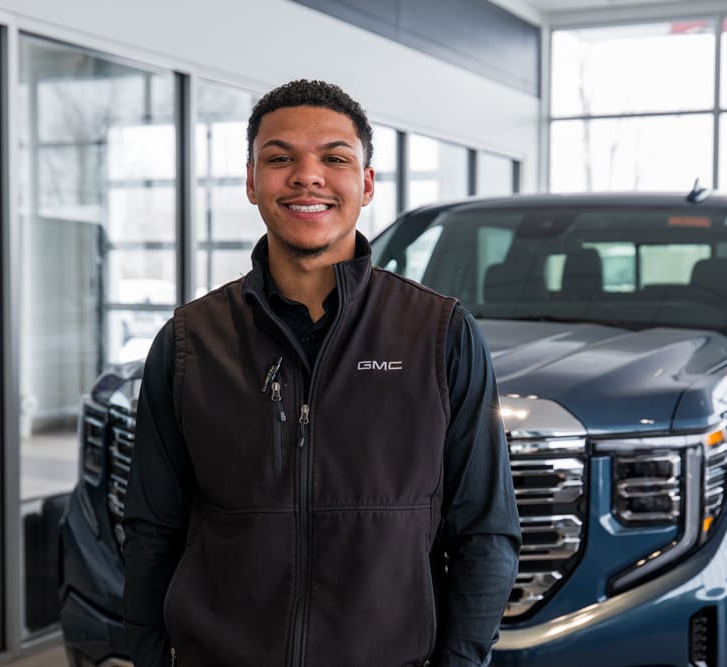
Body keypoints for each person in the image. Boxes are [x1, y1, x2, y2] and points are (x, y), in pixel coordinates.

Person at [122, 79, 520, 667]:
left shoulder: (440, 335)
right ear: (252, 182)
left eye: (334, 158)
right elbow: (151, 528)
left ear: (365, 184)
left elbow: (485, 532)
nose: (307, 176)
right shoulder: (189, 342)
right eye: (279, 158)